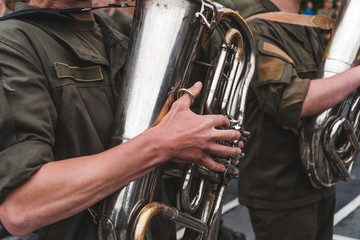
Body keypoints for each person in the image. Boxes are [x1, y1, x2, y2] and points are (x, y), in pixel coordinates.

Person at [0, 1, 244, 240]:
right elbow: (22, 208)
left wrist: (198, 145)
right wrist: (160, 145)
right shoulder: (12, 42)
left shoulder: (119, 31)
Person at [238, 0, 360, 239]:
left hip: (317, 180)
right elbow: (291, 101)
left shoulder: (306, 25)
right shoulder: (259, 29)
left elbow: (328, 91)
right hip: (281, 189)